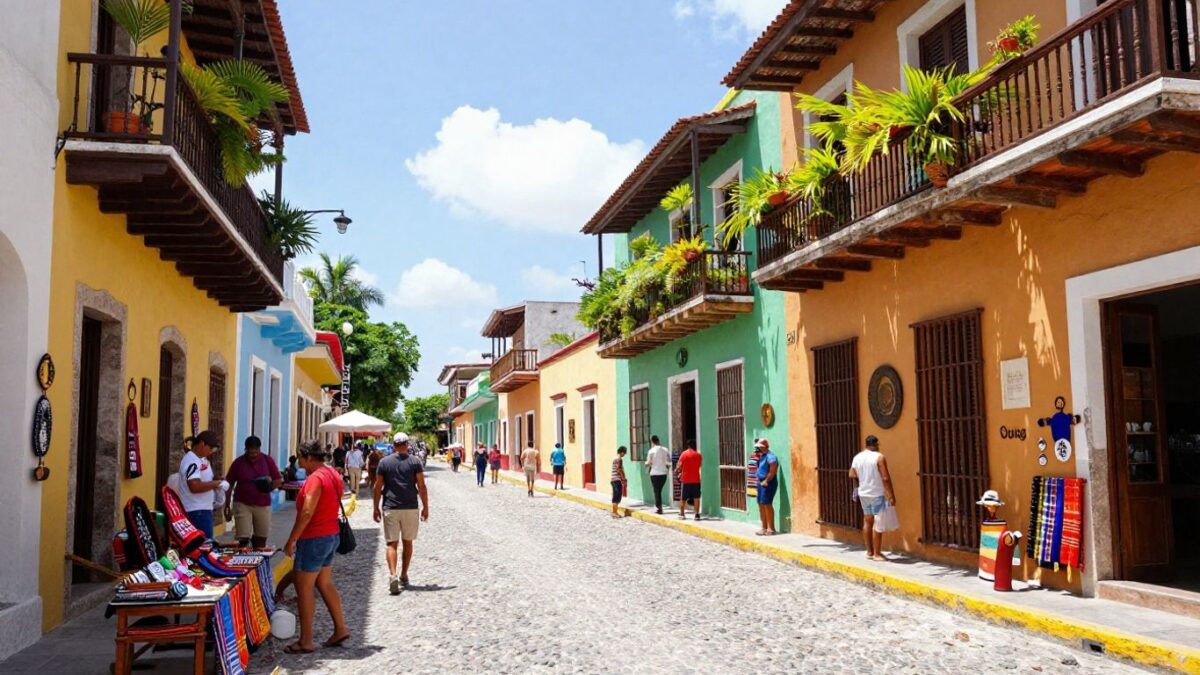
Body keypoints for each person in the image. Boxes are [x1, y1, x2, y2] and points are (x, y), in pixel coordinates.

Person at [283, 441, 350, 654]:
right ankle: (340, 629)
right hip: (331, 535)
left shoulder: (315, 478)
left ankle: (306, 640)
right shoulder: (332, 474)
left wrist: (292, 539)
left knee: (304, 589)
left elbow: (307, 512)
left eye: (300, 458)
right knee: (324, 582)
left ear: (309, 457)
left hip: (314, 538)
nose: (299, 462)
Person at [373, 432, 429, 595]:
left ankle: (393, 575)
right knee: (407, 542)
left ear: (393, 445)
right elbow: (421, 486)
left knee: (391, 544)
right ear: (406, 445)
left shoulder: (384, 462)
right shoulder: (415, 462)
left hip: (390, 507)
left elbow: (378, 486)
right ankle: (404, 574)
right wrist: (426, 507)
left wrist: (375, 507)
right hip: (410, 507)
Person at [222, 435, 283, 548]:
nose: (253, 455)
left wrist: (268, 488)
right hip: (242, 503)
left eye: (256, 452)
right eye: (250, 453)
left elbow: (278, 480)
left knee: (261, 537)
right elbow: (228, 484)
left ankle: (258, 555)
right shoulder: (238, 463)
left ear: (259, 449)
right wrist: (227, 505)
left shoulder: (267, 460)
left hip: (263, 504)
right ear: (246, 449)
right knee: (242, 538)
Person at [849, 435, 896, 562]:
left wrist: (862, 480)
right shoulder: (879, 457)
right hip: (877, 494)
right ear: (876, 444)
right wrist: (891, 495)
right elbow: (885, 478)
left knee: (867, 521)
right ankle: (877, 553)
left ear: (866, 444)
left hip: (864, 494)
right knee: (878, 522)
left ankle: (869, 552)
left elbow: (851, 474)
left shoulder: (857, 457)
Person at [179, 430, 227, 539]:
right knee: (205, 545)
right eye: (210, 448)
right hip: (196, 511)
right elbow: (194, 486)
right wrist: (215, 484)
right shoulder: (191, 461)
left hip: (203, 509)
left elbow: (204, 479)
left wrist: (216, 480)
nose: (211, 452)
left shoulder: (201, 460)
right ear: (202, 444)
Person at [754, 439, 780, 536]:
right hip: (760, 482)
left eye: (759, 447)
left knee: (767, 504)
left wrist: (766, 480)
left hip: (768, 482)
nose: (757, 449)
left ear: (764, 447)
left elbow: (773, 471)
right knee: (761, 504)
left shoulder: (771, 457)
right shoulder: (762, 456)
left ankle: (771, 528)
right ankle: (764, 527)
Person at [644, 435, 671, 514]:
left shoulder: (651, 451)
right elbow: (669, 461)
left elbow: (648, 463)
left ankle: (659, 508)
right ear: (658, 440)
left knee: (656, 491)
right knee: (659, 490)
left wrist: (646, 463)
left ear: (652, 441)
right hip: (663, 473)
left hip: (655, 473)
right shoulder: (665, 450)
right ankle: (659, 506)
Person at [677, 440, 702, 521]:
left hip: (686, 479)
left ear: (688, 445)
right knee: (696, 497)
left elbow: (679, 466)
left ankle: (682, 514)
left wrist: (678, 471)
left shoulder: (684, 454)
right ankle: (697, 514)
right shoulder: (698, 455)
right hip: (696, 479)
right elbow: (699, 465)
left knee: (683, 498)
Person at [610, 446, 627, 518]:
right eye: (624, 453)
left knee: (615, 496)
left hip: (613, 479)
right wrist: (623, 479)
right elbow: (619, 469)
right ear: (622, 452)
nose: (624, 454)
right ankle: (614, 512)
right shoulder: (619, 459)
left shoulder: (615, 458)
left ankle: (614, 512)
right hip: (617, 480)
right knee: (617, 496)